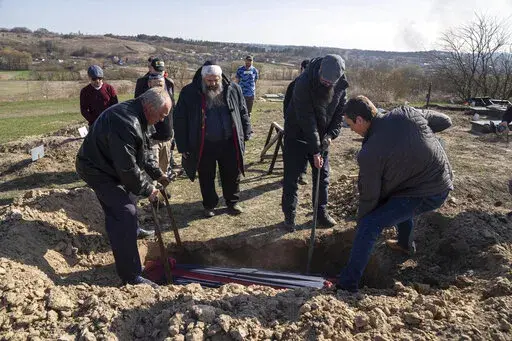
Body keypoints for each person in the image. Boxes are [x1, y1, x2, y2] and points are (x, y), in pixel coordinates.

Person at [337, 96, 453, 292]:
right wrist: (420, 137)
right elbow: (445, 121)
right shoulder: (406, 113)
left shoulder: (370, 152)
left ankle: (347, 285)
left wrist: (362, 222)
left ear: (359, 120)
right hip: (440, 178)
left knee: (370, 224)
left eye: (349, 125)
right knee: (396, 198)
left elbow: (370, 197)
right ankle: (404, 244)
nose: (351, 130)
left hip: (429, 192)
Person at [75, 87, 172, 287]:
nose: (162, 120)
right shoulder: (125, 122)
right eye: (162, 115)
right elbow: (127, 169)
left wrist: (157, 174)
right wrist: (149, 189)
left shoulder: (141, 117)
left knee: (130, 198)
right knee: (123, 212)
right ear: (148, 107)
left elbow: (143, 151)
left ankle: (133, 231)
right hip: (96, 169)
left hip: (111, 165)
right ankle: (131, 275)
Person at [174, 62, 251, 218]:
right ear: (203, 78)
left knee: (231, 173)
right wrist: (182, 146)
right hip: (204, 143)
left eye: (216, 80)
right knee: (206, 175)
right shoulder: (190, 92)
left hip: (229, 141)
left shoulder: (233, 89)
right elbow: (179, 120)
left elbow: (243, 111)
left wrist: (247, 131)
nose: (213, 84)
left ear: (220, 77)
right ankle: (209, 205)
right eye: (209, 81)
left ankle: (232, 202)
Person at [282, 54, 349, 232]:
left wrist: (330, 136)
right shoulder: (302, 83)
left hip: (321, 137)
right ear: (319, 71)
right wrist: (315, 151)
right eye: (324, 81)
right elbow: (307, 119)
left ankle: (321, 213)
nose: (327, 84)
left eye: (330, 83)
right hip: (297, 135)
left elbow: (339, 114)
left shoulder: (341, 84)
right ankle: (289, 216)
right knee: (292, 177)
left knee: (322, 177)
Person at [134, 58, 176, 177]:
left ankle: (162, 192)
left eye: (161, 71)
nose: (159, 73)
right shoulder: (142, 82)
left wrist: (173, 133)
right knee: (153, 170)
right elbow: (138, 107)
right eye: (156, 70)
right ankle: (153, 192)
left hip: (167, 133)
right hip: (151, 135)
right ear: (150, 68)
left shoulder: (169, 83)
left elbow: (173, 108)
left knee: (164, 168)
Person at [283, 59, 310, 186]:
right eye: (305, 69)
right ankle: (289, 176)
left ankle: (302, 173)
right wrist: (288, 120)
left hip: (307, 125)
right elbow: (286, 103)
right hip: (293, 125)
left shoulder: (313, 87)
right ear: (301, 69)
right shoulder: (293, 85)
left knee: (305, 150)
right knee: (290, 152)